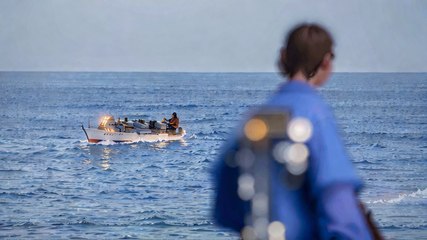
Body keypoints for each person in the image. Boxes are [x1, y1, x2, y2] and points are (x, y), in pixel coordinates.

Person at [213, 23, 375, 239]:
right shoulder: (316, 117)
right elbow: (339, 207)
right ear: (327, 62)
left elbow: (224, 210)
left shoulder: (254, 119)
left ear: (283, 56)